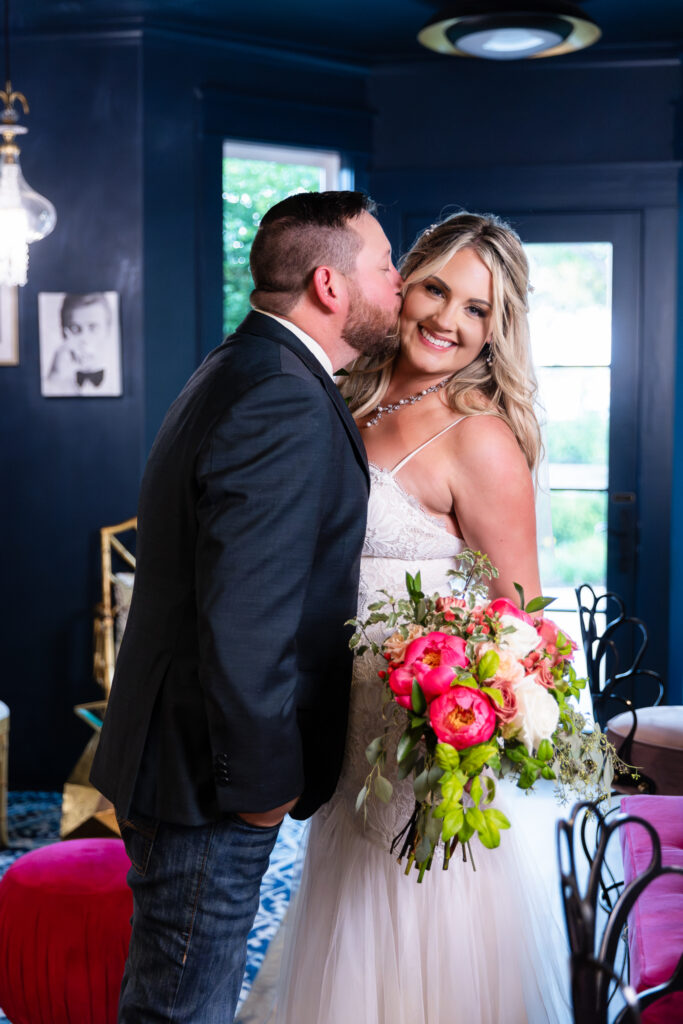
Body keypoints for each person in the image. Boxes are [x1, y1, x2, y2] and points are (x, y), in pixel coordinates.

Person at [90, 190, 403, 1022]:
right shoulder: (281, 396)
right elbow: (245, 617)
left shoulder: (248, 366)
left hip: (179, 758)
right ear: (331, 286)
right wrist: (258, 787)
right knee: (182, 1008)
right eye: (385, 265)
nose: (400, 284)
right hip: (206, 778)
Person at [274, 212, 572, 1024]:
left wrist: (458, 719)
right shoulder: (347, 400)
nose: (446, 319)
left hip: (422, 757)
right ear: (401, 287)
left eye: (476, 309)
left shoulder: (478, 440)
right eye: (435, 289)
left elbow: (520, 625)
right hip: (346, 744)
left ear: (495, 329)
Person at [46, 292, 114, 394]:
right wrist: (55, 378)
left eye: (93, 327)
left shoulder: (121, 377)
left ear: (108, 330)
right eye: (75, 329)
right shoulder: (53, 381)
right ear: (64, 333)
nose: (84, 338)